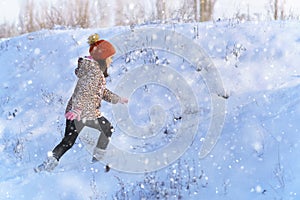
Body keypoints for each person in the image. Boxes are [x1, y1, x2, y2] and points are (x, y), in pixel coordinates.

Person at [35, 33, 128, 172]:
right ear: (103, 58)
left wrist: (117, 99)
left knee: (68, 141)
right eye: (110, 57)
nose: (112, 60)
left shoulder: (93, 70)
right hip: (84, 113)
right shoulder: (94, 73)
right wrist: (78, 109)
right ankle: (98, 158)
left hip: (79, 112)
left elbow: (100, 92)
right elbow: (83, 91)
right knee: (108, 128)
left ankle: (49, 163)